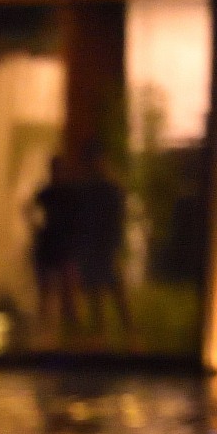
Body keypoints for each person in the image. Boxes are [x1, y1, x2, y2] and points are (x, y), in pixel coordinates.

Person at [73, 146, 131, 344]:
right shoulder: (90, 188)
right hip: (94, 245)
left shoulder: (108, 188)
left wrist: (115, 242)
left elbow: (117, 215)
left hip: (104, 245)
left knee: (114, 287)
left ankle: (128, 331)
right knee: (96, 289)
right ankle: (101, 332)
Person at [29, 155, 78, 341]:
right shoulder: (49, 192)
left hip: (61, 246)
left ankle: (67, 333)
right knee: (47, 292)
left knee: (65, 293)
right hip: (52, 245)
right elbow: (29, 209)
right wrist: (36, 228)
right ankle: (48, 332)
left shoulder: (64, 192)